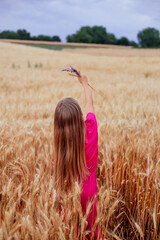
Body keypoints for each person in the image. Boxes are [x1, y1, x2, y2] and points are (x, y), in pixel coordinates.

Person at [53, 74, 103, 239]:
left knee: (69, 230)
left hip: (67, 192)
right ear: (80, 116)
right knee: (92, 230)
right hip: (89, 192)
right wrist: (85, 84)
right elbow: (90, 104)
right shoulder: (90, 129)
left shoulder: (60, 145)